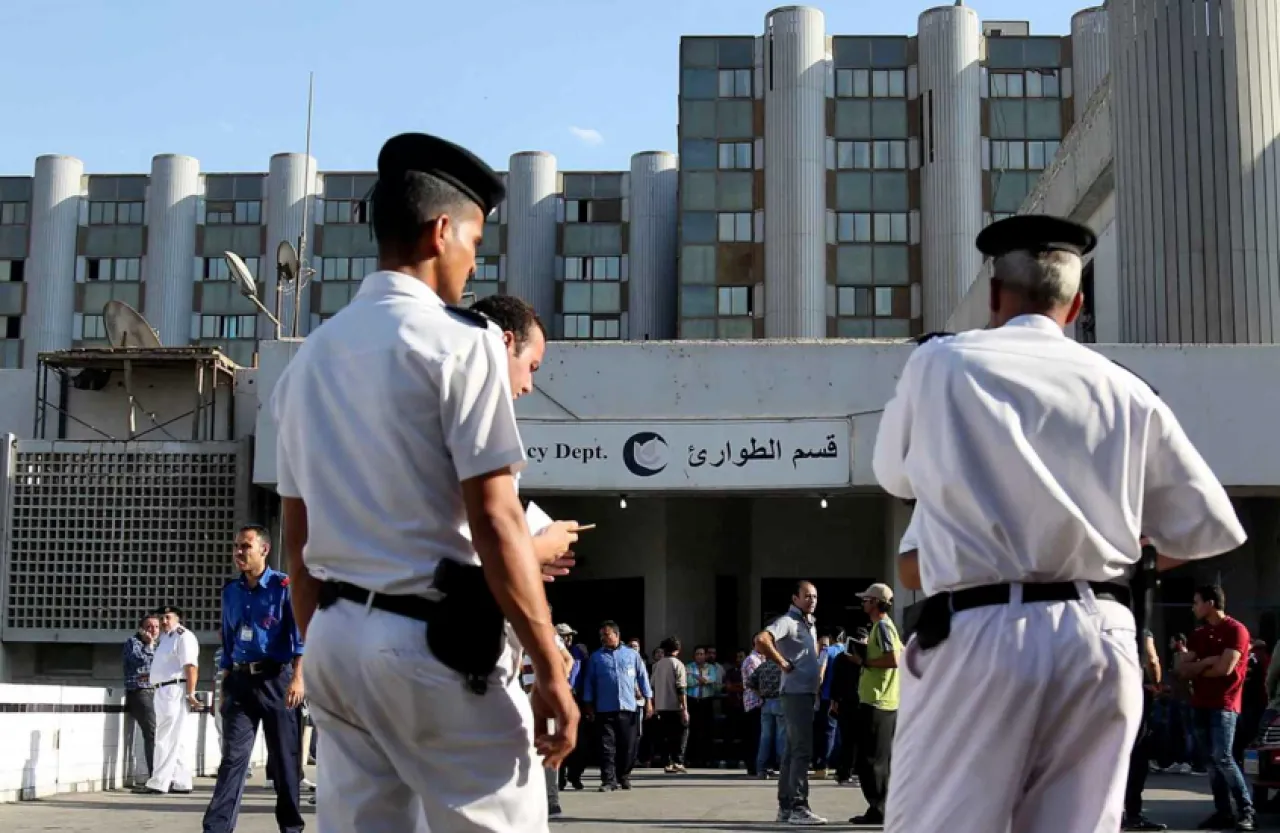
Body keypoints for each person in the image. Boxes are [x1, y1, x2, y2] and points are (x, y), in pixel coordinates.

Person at [872, 214, 1248, 833]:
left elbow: (893, 476)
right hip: (1099, 632)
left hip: (982, 628)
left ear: (995, 294)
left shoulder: (940, 363)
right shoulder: (1127, 388)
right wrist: (1120, 562)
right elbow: (1206, 528)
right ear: (1076, 306)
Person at [272, 132, 578, 833]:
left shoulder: (307, 362)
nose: (473, 262)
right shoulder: (464, 343)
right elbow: (497, 520)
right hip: (433, 644)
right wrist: (550, 669)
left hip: (334, 640)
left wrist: (333, 642)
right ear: (442, 232)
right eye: (475, 241)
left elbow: (298, 541)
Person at [202, 524, 306, 833]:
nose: (238, 552)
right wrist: (224, 684)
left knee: (285, 762)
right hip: (240, 682)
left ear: (264, 549)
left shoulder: (283, 587)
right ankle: (216, 828)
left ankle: (291, 828)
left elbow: (300, 637)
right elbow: (228, 640)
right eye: (236, 546)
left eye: (245, 546)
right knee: (232, 759)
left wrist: (298, 678)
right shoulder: (231, 592)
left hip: (277, 681)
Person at [1180, 585, 1256, 829]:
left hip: (1224, 704)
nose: (1193, 607)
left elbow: (1225, 668)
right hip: (1200, 703)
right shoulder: (1198, 635)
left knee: (1223, 758)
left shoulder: (1236, 630)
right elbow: (1182, 669)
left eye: (1196, 602)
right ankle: (1223, 812)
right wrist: (1208, 661)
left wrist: (1200, 667)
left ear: (1210, 603)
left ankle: (1246, 811)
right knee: (1211, 763)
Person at [755, 581, 827, 825]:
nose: (812, 600)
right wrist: (782, 663)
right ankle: (798, 806)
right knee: (801, 751)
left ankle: (786, 807)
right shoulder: (788, 621)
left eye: (815, 596)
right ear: (795, 598)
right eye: (807, 596)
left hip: (804, 693)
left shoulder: (808, 623)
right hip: (796, 693)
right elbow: (762, 640)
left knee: (791, 751)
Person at [848, 583, 900, 826]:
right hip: (884, 701)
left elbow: (894, 659)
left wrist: (864, 661)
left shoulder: (883, 627)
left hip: (878, 701)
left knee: (871, 761)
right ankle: (880, 807)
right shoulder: (885, 627)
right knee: (879, 760)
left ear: (876, 603)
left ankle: (880, 808)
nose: (863, 603)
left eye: (867, 600)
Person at [581, 621, 653, 791]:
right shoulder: (596, 657)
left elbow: (643, 678)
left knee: (628, 746)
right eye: (601, 636)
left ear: (616, 635)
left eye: (606, 635)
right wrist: (588, 705)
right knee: (606, 747)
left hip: (628, 708)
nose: (603, 638)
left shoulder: (632, 655)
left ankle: (624, 776)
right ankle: (608, 780)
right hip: (604, 709)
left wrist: (649, 701)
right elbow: (589, 683)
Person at [136, 605, 200, 795]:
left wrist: (191, 693)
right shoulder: (166, 638)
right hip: (163, 688)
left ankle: (158, 782)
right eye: (162, 618)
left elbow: (191, 666)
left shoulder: (183, 636)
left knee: (164, 736)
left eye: (168, 617)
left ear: (178, 619)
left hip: (173, 689)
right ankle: (181, 781)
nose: (164, 621)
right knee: (177, 738)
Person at [1123, 628, 1166, 831]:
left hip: (1104, 695)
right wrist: (1156, 684)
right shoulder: (1139, 629)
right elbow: (1152, 659)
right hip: (1135, 696)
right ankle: (1132, 814)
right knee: (1137, 758)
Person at [122, 613, 159, 782]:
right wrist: (149, 646)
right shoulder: (133, 643)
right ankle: (154, 776)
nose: (153, 630)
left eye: (156, 627)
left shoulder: (160, 645)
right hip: (140, 691)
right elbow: (139, 661)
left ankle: (161, 774)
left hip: (158, 692)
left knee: (160, 733)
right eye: (149, 627)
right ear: (141, 629)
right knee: (151, 731)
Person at [650, 636, 690, 773]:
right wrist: (684, 708)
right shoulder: (678, 664)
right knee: (681, 732)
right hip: (675, 705)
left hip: (661, 705)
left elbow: (652, 685)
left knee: (665, 735)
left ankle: (667, 762)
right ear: (677, 649)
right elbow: (681, 688)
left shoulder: (657, 665)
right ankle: (678, 760)